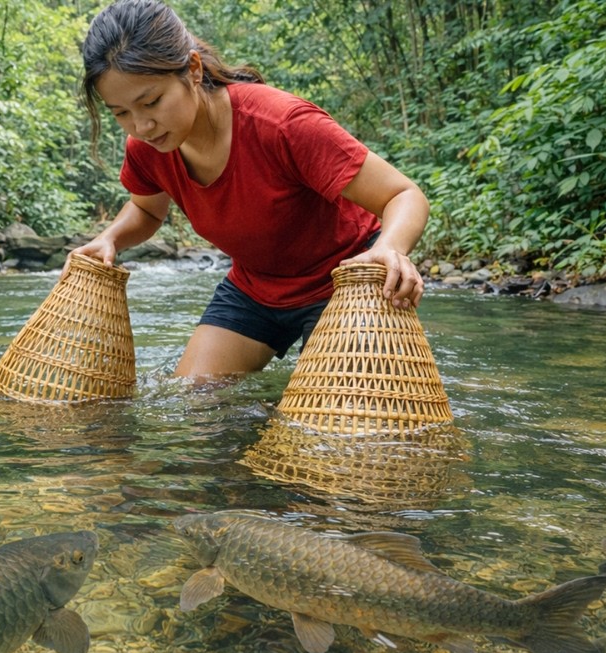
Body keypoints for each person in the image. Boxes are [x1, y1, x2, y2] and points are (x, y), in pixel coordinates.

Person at [71, 0, 429, 383]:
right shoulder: (148, 148)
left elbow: (404, 195)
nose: (141, 125)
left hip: (347, 280)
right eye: (120, 113)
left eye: (152, 102)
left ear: (192, 69)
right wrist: (110, 238)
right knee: (196, 403)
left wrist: (389, 249)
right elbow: (146, 211)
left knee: (333, 431)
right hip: (256, 288)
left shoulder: (281, 124)